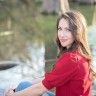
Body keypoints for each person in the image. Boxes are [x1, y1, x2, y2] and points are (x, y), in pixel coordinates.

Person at [5, 10, 94, 96]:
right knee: (24, 85)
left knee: (23, 87)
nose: (62, 35)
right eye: (60, 29)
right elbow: (49, 79)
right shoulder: (81, 54)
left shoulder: (72, 59)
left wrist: (13, 95)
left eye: (68, 30)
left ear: (78, 32)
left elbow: (40, 89)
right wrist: (20, 87)